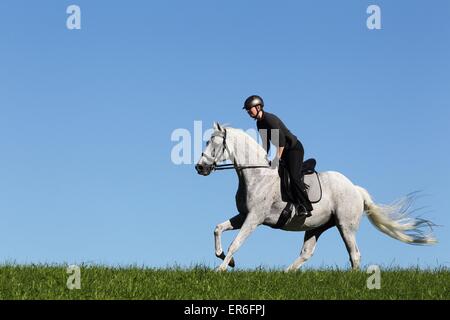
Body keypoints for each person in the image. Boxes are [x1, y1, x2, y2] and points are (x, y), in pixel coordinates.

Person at [243, 95, 313, 216]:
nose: (249, 112)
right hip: (283, 150)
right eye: (248, 110)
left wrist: (276, 159)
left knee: (294, 176)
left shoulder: (270, 119)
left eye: (250, 109)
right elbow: (266, 144)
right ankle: (290, 203)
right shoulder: (260, 124)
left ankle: (305, 206)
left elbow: (281, 142)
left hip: (293, 149)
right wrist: (262, 158)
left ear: (258, 107)